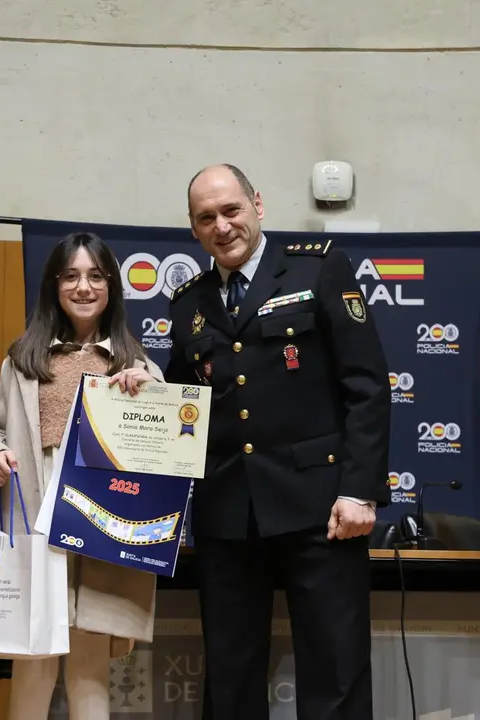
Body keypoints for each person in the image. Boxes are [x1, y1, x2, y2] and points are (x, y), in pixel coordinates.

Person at [164, 164, 391, 720]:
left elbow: (366, 386)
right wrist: (140, 390)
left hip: (321, 509)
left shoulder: (318, 269)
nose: (222, 226)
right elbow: (180, 406)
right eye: (206, 218)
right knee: (232, 675)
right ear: (193, 229)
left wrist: (360, 490)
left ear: (258, 205)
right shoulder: (187, 303)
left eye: (231, 210)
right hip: (227, 513)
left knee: (335, 673)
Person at [0, 231, 162, 719]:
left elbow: (164, 448)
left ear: (112, 287)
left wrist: (151, 390)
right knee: (33, 654)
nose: (84, 287)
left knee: (90, 658)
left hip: (99, 519)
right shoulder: (23, 359)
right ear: (54, 285)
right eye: (71, 276)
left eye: (96, 276)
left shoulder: (135, 364)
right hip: (35, 510)